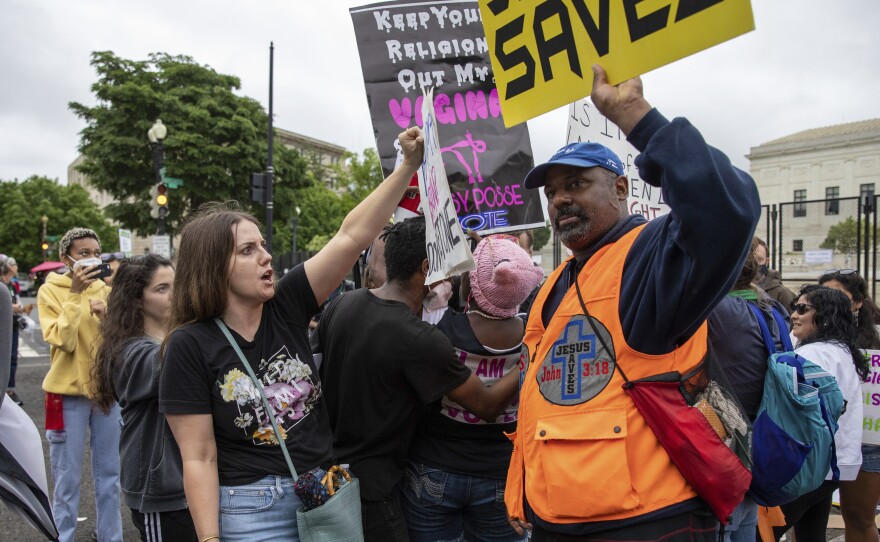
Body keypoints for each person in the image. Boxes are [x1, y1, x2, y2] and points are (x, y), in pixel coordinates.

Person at [505, 64, 760, 540]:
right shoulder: (555, 282)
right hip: (553, 516)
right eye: (552, 192)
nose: (559, 200)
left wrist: (634, 115)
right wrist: (521, 488)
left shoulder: (650, 254)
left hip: (645, 519)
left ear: (621, 189)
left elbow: (727, 208)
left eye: (575, 184)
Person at [159, 126, 425, 542]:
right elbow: (198, 456)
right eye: (247, 250)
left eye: (262, 245)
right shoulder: (189, 345)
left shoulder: (287, 303)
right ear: (212, 266)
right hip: (250, 510)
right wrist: (209, 539)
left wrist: (406, 166)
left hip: (323, 495)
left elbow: (351, 236)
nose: (266, 257)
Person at [314, 217, 522, 541]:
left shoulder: (342, 304)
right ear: (427, 267)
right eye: (448, 264)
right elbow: (487, 405)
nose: (452, 274)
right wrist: (531, 361)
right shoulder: (419, 339)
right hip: (378, 491)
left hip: (332, 477)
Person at [402, 234, 542, 542]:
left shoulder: (440, 327)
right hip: (501, 477)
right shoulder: (535, 338)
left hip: (434, 468)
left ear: (471, 282)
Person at [91, 254, 196, 542]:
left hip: (189, 485)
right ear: (137, 300)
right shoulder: (131, 352)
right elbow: (172, 363)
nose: (175, 295)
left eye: (177, 285)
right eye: (162, 289)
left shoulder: (172, 339)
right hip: (159, 489)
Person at [38, 227, 122, 542]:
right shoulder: (50, 291)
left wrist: (106, 316)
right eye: (83, 253)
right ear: (66, 258)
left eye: (95, 252)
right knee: (67, 477)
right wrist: (74, 294)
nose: (90, 258)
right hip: (64, 396)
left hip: (105, 393)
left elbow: (120, 340)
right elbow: (62, 339)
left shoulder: (106, 290)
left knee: (110, 476)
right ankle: (64, 537)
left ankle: (111, 537)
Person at [707, 239, 790, 541]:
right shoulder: (772, 307)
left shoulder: (723, 310)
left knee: (724, 527)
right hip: (762, 433)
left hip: (731, 438)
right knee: (744, 523)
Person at [773, 284, 867, 541]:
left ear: (825, 314)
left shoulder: (812, 353)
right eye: (795, 307)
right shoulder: (841, 349)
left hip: (810, 463)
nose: (794, 314)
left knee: (765, 533)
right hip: (833, 464)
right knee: (811, 534)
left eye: (803, 309)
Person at [818, 269, 880, 542]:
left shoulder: (876, 339)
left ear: (858, 302)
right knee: (810, 519)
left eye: (838, 295)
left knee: (859, 516)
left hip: (868, 441)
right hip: (824, 441)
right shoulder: (809, 337)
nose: (829, 302)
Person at [0, 255, 26, 405]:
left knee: (12, 357)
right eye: (15, 264)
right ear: (8, 267)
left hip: (14, 323)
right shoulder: (2, 285)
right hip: (7, 322)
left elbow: (19, 303)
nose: (17, 267)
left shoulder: (13, 284)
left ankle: (9, 389)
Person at [754, 237, 796, 310]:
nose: (753, 264)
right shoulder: (729, 289)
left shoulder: (781, 294)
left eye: (759, 259)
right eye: (749, 259)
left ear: (766, 262)